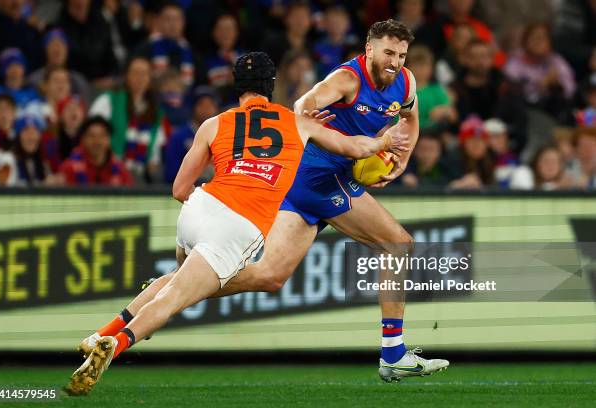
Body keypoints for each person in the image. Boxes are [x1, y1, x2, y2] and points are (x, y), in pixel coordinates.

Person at [66, 51, 411, 395]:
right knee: (175, 297)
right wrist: (383, 141)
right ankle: (117, 343)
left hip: (200, 206)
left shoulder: (213, 123)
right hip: (237, 225)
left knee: (177, 283)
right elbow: (353, 148)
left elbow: (179, 189)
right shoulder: (299, 123)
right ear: (272, 86)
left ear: (236, 86)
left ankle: (103, 333)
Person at [89, 57, 169, 183]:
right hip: (108, 173)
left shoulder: (156, 112)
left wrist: (153, 163)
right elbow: (91, 133)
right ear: (126, 76)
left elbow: (156, 151)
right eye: (136, 73)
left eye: (144, 74)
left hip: (140, 177)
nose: (140, 78)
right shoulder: (109, 100)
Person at [59, 116, 132, 186]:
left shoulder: (121, 171)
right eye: (91, 136)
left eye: (102, 136)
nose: (97, 141)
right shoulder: (68, 169)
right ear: (83, 139)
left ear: (109, 140)